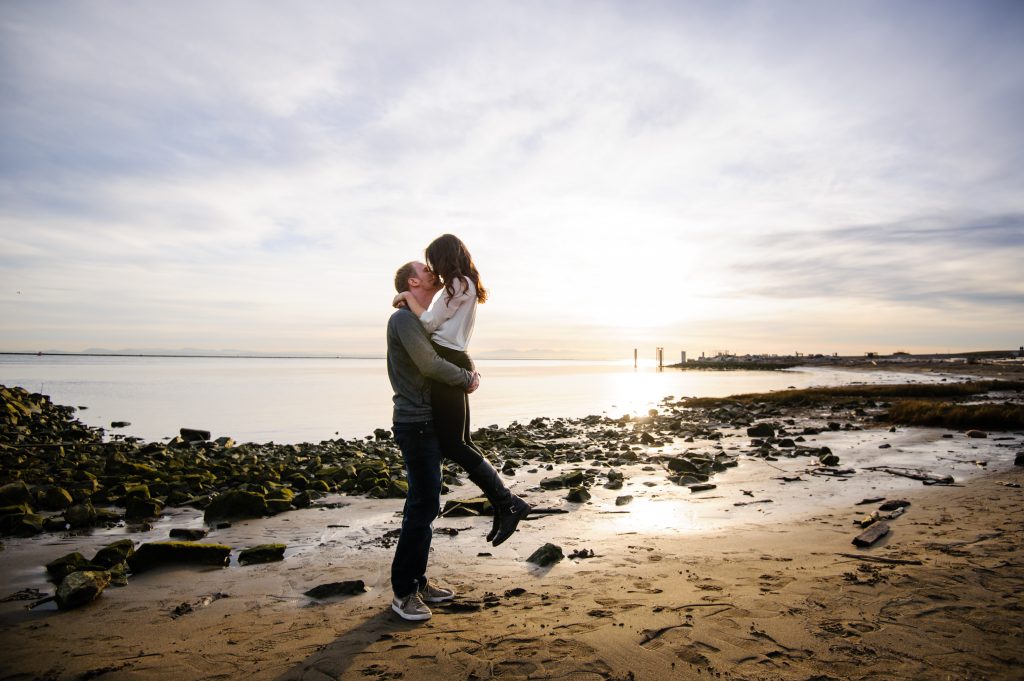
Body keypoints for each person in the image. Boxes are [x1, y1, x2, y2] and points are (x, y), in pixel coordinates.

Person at [393, 235, 530, 547]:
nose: (433, 271)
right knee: (462, 442)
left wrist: (406, 297)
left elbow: (428, 324)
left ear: (444, 258)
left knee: (454, 445)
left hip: (448, 359)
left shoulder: (457, 284)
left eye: (432, 262)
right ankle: (504, 506)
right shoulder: (463, 283)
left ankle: (508, 502)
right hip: (455, 357)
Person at [387, 260, 480, 621]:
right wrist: (466, 377)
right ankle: (403, 593)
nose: (432, 272)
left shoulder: (422, 316)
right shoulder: (403, 320)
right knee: (422, 505)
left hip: (428, 420)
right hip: (414, 423)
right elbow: (428, 364)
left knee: (427, 504)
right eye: (425, 270)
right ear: (413, 280)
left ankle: (418, 581)